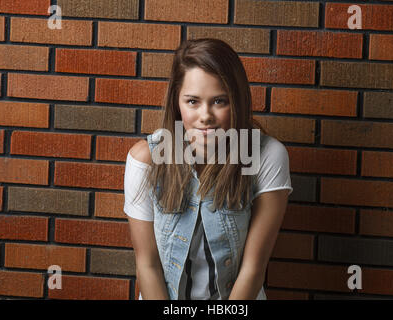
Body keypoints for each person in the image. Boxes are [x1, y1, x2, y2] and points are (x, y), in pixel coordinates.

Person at [123, 38, 293, 300]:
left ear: (236, 100)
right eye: (192, 101)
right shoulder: (146, 159)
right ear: (176, 103)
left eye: (219, 101)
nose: (205, 116)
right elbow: (148, 266)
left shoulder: (266, 155)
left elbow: (253, 269)